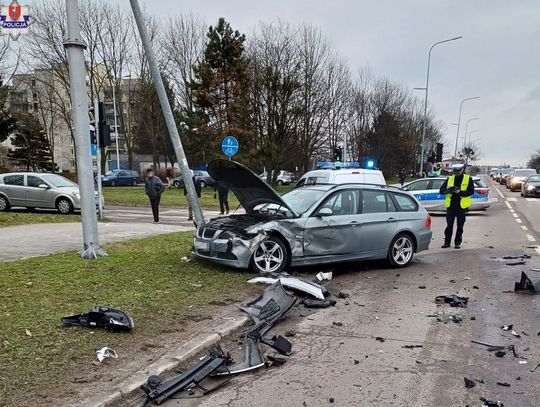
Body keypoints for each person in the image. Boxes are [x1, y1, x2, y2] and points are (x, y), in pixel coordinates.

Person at [438, 164, 475, 249]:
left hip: (461, 206)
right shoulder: (450, 179)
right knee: (449, 225)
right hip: (451, 206)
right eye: (455, 172)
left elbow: (471, 191)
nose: (456, 173)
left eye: (458, 172)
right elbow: (441, 191)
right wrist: (449, 190)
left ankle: (457, 243)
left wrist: (460, 192)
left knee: (460, 226)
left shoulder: (468, 178)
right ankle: (447, 243)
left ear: (462, 170)